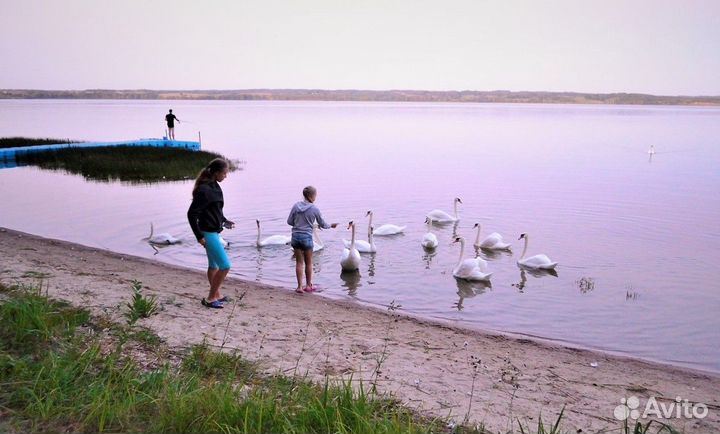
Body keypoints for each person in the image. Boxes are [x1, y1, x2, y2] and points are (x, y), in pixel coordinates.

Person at [187, 158, 234, 309]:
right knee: (225, 266)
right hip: (208, 234)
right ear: (216, 172)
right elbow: (191, 214)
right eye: (225, 173)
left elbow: (215, 210)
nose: (226, 176)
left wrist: (224, 221)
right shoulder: (204, 190)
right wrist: (199, 237)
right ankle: (210, 298)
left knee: (213, 265)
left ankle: (217, 294)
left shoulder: (215, 186)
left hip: (214, 230)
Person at [287, 186, 337, 294]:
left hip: (295, 237)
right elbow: (322, 224)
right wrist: (331, 226)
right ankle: (309, 286)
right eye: (315, 195)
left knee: (299, 263)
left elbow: (289, 221)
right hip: (306, 238)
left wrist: (298, 223)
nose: (315, 197)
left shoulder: (296, 206)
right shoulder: (314, 209)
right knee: (309, 262)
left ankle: (299, 287)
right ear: (311, 196)